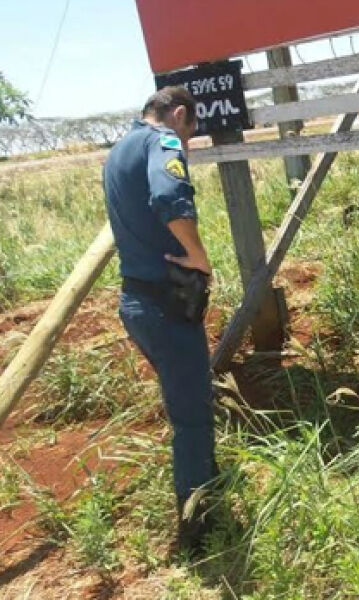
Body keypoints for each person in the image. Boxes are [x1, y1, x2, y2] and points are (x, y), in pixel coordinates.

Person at [102, 86, 217, 553]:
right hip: (165, 305)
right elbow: (170, 194)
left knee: (184, 402)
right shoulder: (161, 142)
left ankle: (204, 485)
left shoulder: (119, 150)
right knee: (193, 417)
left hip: (135, 302)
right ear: (180, 114)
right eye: (189, 133)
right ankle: (197, 531)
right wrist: (198, 255)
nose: (186, 145)